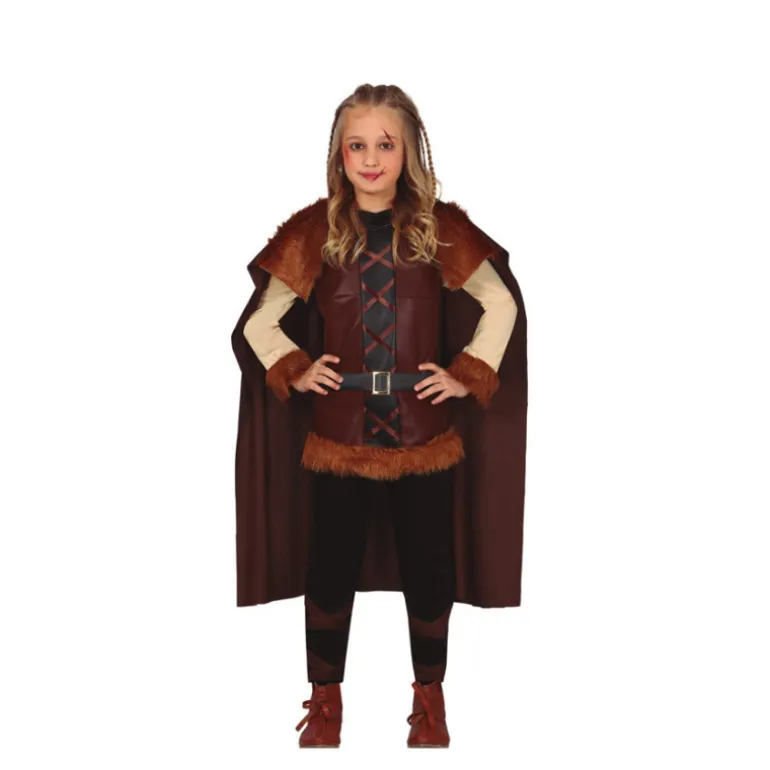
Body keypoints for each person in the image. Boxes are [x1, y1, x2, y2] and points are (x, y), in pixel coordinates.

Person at [231, 83, 528, 749]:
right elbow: (260, 323)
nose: (370, 159)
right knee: (327, 566)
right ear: (339, 154)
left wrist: (467, 373)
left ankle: (430, 703)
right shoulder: (315, 231)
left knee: (430, 567)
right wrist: (293, 366)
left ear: (407, 151)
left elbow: (501, 304)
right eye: (357, 145)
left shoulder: (438, 228)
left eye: (385, 145)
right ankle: (325, 702)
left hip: (424, 436)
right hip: (338, 435)